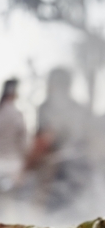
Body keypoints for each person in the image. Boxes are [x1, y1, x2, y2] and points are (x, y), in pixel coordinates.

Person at [25, 68, 90, 208]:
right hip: (80, 173)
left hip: (59, 174)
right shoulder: (79, 108)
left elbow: (43, 140)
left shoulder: (47, 107)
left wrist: (26, 168)